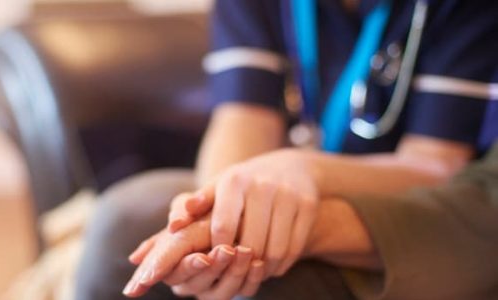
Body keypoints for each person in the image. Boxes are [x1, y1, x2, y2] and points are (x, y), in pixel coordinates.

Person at [74, 0, 498, 299]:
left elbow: (436, 164)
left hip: (406, 194)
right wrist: (216, 219)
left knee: (278, 279)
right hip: (284, 178)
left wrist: (307, 171)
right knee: (125, 218)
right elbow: (243, 116)